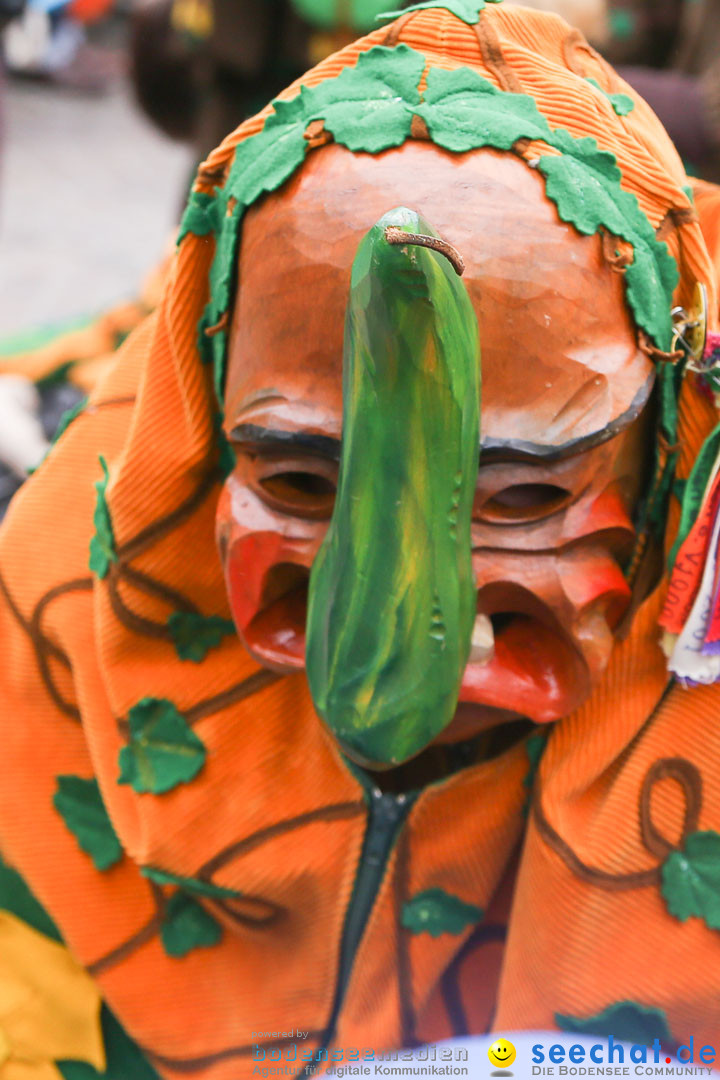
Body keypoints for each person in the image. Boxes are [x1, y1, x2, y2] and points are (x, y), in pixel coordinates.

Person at [1, 1, 720, 1073]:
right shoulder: (59, 623)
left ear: (667, 446)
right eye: (297, 478)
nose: (392, 630)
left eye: (523, 500)